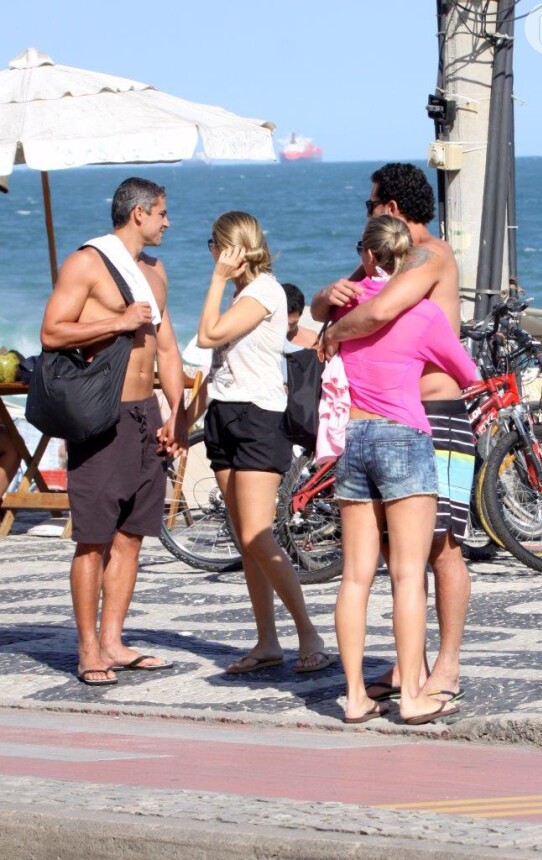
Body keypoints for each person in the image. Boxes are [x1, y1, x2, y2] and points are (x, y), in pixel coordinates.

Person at [311, 162, 475, 704]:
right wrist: (325, 300)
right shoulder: (386, 257)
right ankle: (410, 669)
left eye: (371, 205)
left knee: (443, 545)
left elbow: (379, 310)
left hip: (439, 413)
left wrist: (334, 332)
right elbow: (330, 303)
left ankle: (444, 666)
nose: (367, 214)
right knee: (396, 553)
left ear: (393, 209)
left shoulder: (431, 256)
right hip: (391, 423)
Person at [40, 177, 188, 686]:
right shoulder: (87, 263)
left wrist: (178, 412)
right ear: (140, 213)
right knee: (94, 539)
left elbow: (167, 348)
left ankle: (113, 641)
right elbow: (52, 330)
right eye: (163, 213)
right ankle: (87, 650)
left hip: (146, 415)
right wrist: (120, 322)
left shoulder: (154, 270)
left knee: (131, 536)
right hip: (102, 418)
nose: (168, 222)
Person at [192, 211, 333, 674]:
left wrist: (215, 280)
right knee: (244, 539)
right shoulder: (240, 294)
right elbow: (214, 364)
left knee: (257, 534)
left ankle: (308, 632)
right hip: (224, 414)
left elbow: (207, 334)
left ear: (230, 249)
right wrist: (184, 423)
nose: (211, 254)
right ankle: (266, 641)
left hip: (257, 417)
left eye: (214, 246)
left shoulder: (264, 292)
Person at [281, 283, 318, 348]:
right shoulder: (260, 336)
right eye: (282, 322)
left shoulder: (311, 340)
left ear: (300, 315)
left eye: (292, 324)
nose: (287, 329)